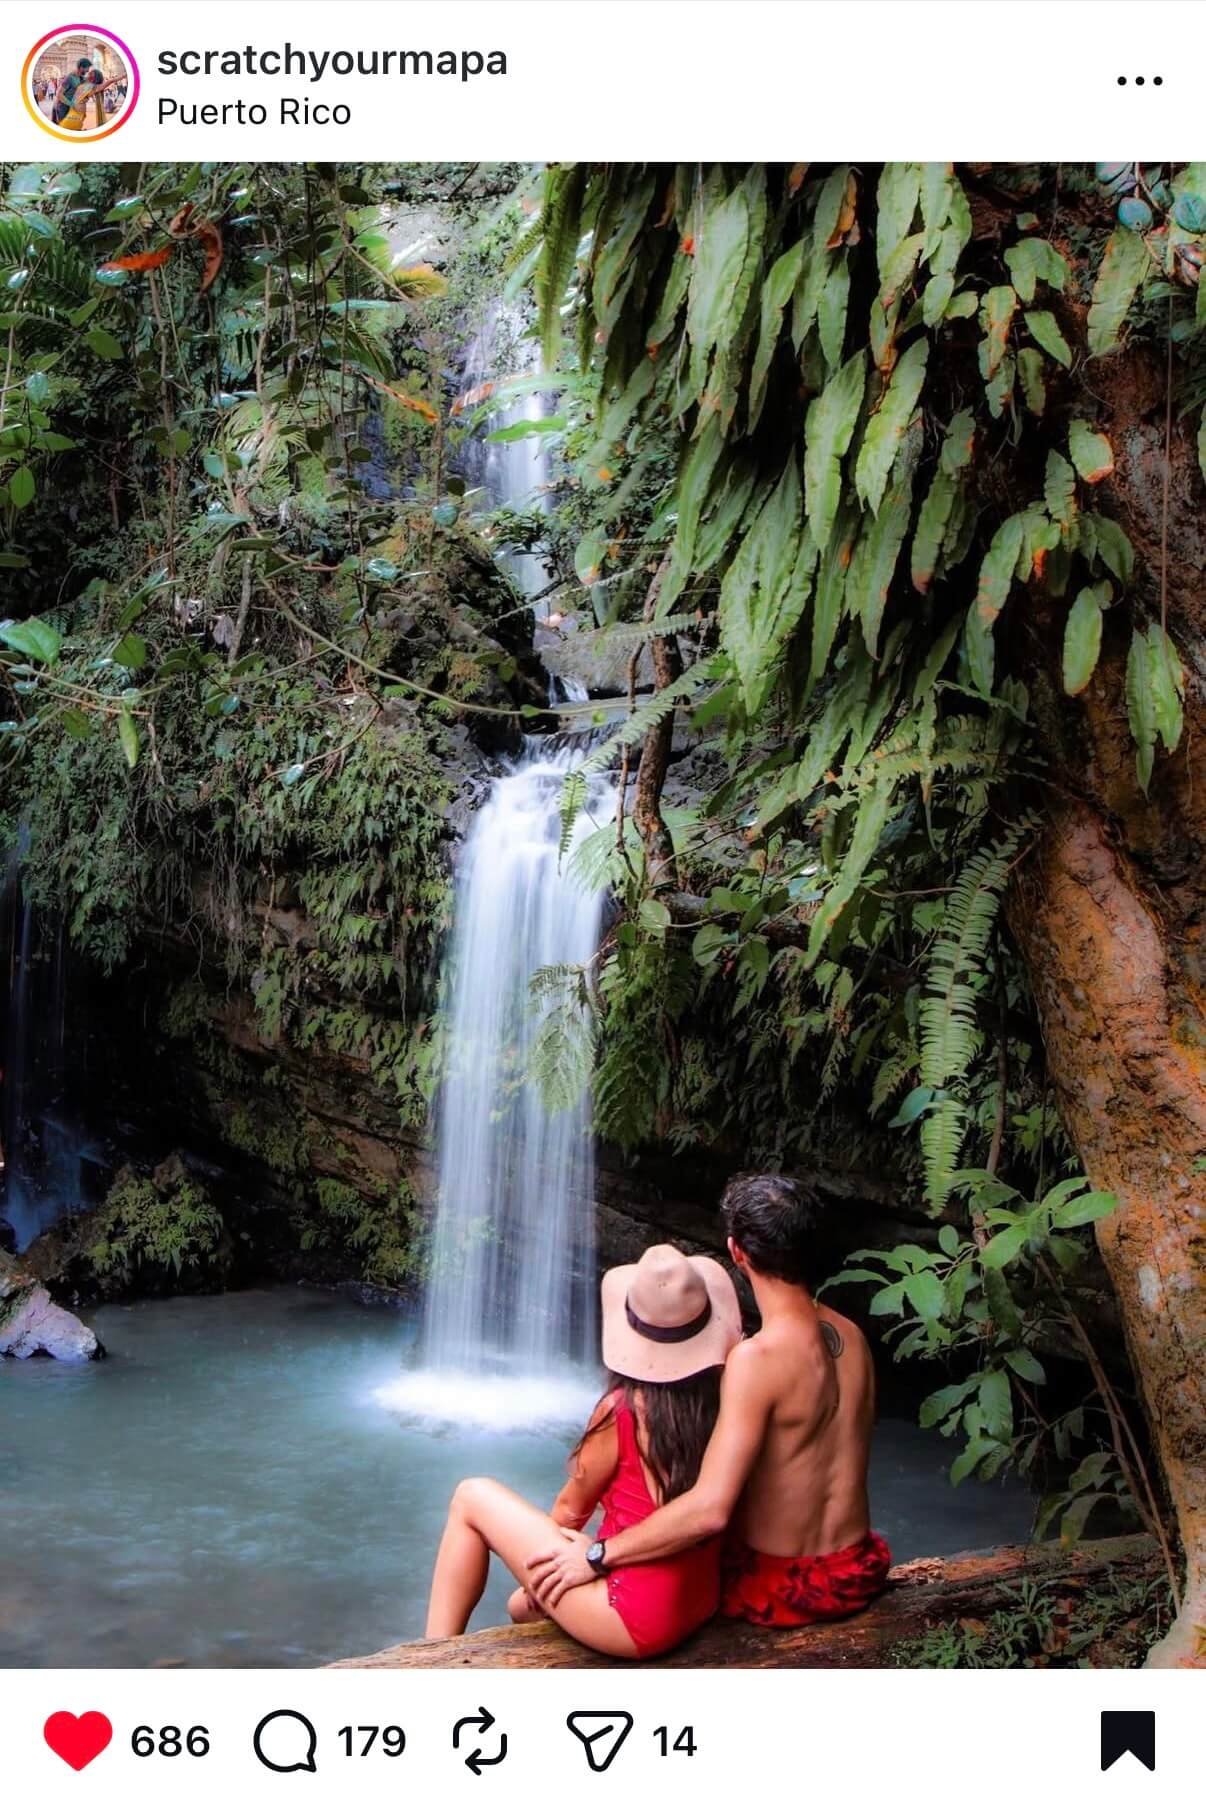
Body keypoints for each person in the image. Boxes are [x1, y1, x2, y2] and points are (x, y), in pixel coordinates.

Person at [529, 1173, 891, 1630]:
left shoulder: (755, 1360)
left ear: (737, 1252)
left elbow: (710, 1509)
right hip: (854, 1569)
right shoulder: (853, 1337)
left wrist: (600, 1555)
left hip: (780, 1588)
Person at [424, 1243, 742, 1657]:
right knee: (520, 1608)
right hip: (697, 1599)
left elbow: (572, 1508)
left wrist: (544, 1572)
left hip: (634, 1617)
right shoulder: (730, 1398)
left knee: (471, 1496)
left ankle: (428, 1659)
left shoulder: (623, 1412)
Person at [52, 58, 92, 124]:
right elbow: (58, 94)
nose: (88, 70)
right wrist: (71, 104)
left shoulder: (81, 78)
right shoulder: (70, 78)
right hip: (64, 108)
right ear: (81, 67)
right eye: (87, 68)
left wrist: (86, 98)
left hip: (73, 108)